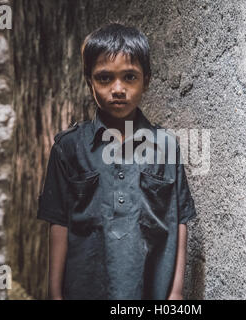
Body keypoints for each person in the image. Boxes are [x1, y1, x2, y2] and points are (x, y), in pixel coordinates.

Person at [37, 22, 197, 300]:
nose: (118, 89)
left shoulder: (166, 146)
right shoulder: (69, 147)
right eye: (105, 78)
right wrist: (54, 293)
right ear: (89, 82)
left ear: (146, 80)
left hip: (151, 289)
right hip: (86, 286)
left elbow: (179, 220)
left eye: (130, 77)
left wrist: (176, 291)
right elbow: (58, 223)